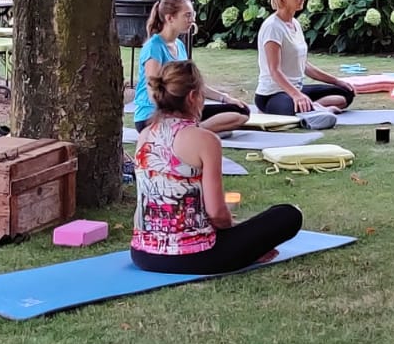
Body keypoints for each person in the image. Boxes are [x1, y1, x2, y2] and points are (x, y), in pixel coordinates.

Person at [130, 59, 303, 274]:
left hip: (142, 254)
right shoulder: (205, 140)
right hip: (197, 256)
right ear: (193, 97)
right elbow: (217, 214)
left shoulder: (145, 135)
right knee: (289, 215)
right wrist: (244, 240)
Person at [132, 0, 248, 134]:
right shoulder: (153, 47)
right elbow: (153, 92)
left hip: (183, 111)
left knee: (241, 111)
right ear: (170, 18)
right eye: (187, 15)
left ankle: (192, 129)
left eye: (192, 15)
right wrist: (178, 115)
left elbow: (192, 83)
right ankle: (190, 130)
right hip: (153, 116)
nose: (192, 20)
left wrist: (225, 98)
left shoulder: (179, 45)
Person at [255, 0, 355, 116]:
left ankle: (313, 108)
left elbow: (304, 66)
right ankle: (314, 109)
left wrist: (337, 81)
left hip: (296, 89)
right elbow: (274, 70)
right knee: (291, 108)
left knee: (346, 93)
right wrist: (296, 95)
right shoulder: (272, 27)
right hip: (272, 94)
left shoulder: (295, 24)